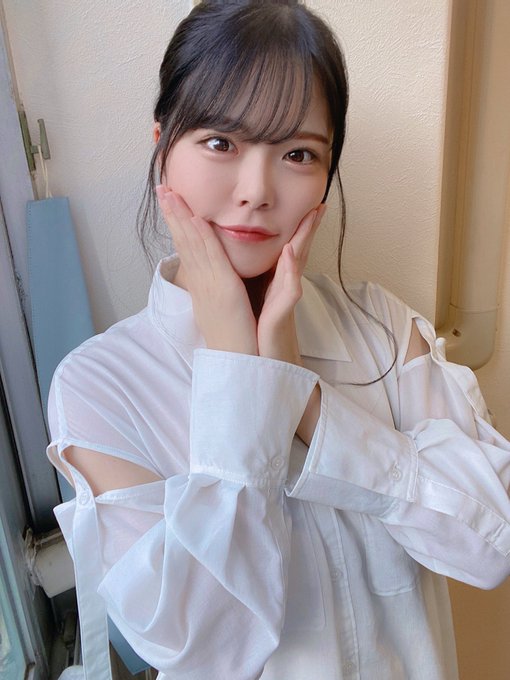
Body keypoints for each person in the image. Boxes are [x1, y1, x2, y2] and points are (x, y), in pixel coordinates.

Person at [46, 2, 510, 679]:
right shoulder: (100, 384)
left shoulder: (382, 326)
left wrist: (303, 401)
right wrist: (239, 374)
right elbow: (196, 643)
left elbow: (492, 544)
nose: (257, 191)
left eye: (298, 154)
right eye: (220, 143)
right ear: (162, 147)